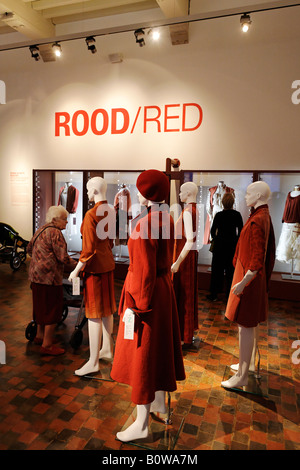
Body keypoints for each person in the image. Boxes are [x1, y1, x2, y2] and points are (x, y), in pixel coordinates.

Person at [110, 169, 185, 443]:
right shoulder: (166, 218)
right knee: (158, 351)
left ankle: (141, 423)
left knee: (143, 356)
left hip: (148, 296)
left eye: (140, 188)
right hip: (163, 291)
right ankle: (158, 406)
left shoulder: (145, 225)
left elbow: (143, 273)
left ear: (145, 192)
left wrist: (138, 307)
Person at [221, 181, 275, 389]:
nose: (245, 196)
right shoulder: (261, 216)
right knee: (249, 327)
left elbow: (257, 258)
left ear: (259, 196)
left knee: (245, 327)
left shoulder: (257, 220)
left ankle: (242, 375)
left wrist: (243, 282)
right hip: (250, 279)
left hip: (249, 281)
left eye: (249, 193)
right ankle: (248, 365)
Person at [68, 177, 116, 376]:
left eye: (88, 189)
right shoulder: (111, 210)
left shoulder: (90, 214)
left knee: (95, 313)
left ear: (95, 190)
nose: (86, 193)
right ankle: (107, 349)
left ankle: (93, 361)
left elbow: (87, 250)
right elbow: (110, 241)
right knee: (107, 310)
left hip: (95, 270)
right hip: (108, 265)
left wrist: (75, 270)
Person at [27, 205, 77, 355]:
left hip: (35, 277)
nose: (67, 223)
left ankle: (39, 336)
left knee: (40, 307)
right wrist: (79, 264)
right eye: (64, 219)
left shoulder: (40, 230)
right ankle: (47, 345)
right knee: (52, 309)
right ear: (55, 220)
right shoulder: (55, 233)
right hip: (50, 278)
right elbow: (63, 257)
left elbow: (29, 249)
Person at [171, 181, 199, 346]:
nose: (179, 195)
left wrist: (177, 262)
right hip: (186, 258)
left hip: (184, 260)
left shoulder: (189, 211)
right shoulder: (192, 210)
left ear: (188, 193)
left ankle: (183, 336)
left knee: (184, 296)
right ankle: (184, 333)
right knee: (184, 295)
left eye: (181, 192)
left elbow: (190, 241)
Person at [207, 192, 243, 301]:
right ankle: (229, 295)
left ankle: (214, 294)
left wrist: (216, 239)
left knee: (216, 271)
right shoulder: (237, 215)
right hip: (232, 246)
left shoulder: (219, 215)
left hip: (219, 246)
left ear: (222, 203)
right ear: (233, 202)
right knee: (230, 272)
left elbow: (213, 231)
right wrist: (236, 241)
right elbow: (241, 231)